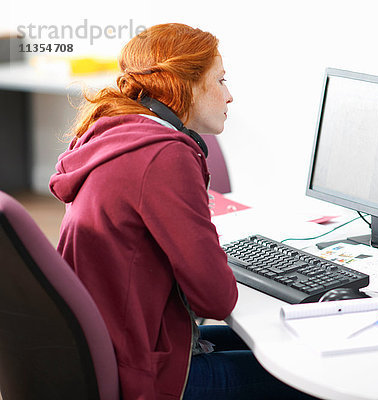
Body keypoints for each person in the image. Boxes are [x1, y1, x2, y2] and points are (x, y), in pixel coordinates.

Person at [50, 23, 316, 400]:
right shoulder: (163, 155)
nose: (230, 96)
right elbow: (217, 299)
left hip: (111, 352)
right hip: (141, 374)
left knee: (291, 340)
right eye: (220, 80)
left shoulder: (116, 132)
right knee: (306, 372)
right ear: (186, 86)